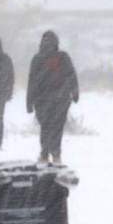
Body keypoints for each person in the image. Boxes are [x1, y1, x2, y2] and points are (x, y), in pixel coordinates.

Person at [26, 30, 79, 165]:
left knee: (45, 127)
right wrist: (74, 92)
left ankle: (44, 154)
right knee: (57, 126)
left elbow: (32, 81)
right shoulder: (63, 57)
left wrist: (29, 102)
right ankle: (56, 155)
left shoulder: (37, 59)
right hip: (61, 98)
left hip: (42, 99)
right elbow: (71, 75)